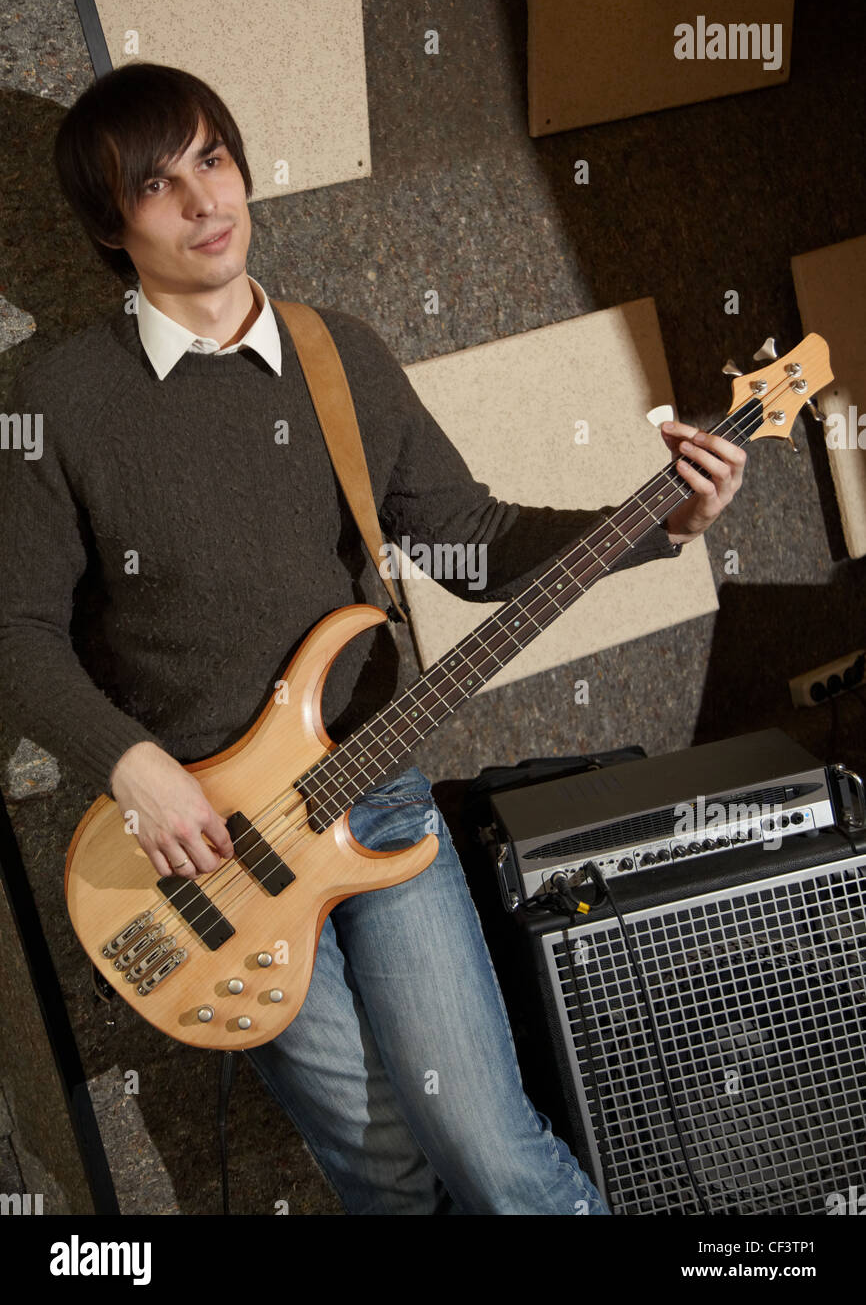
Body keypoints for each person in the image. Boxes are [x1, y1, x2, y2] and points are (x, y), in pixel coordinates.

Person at [0, 63, 745, 1214]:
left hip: (376, 799)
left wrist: (655, 520)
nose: (206, 200)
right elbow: (15, 632)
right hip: (205, 859)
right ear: (111, 224)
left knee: (492, 1154)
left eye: (213, 157)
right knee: (383, 1179)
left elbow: (467, 542)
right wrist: (133, 768)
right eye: (158, 184)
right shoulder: (56, 401)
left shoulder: (333, 353)